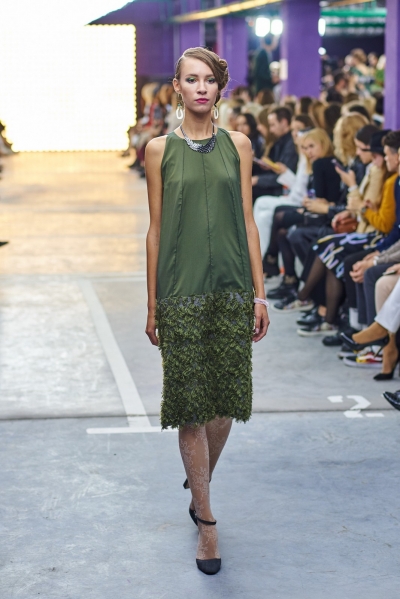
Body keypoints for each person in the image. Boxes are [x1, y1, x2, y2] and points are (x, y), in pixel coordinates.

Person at [144, 47, 269, 576]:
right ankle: (207, 521)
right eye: (191, 79)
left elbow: (248, 220)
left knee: (225, 404)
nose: (201, 88)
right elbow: (155, 230)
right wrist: (152, 303)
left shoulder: (239, 145)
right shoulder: (158, 150)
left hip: (232, 289)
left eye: (209, 80)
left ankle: (199, 482)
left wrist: (260, 293)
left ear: (220, 88)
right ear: (177, 86)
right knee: (190, 407)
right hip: (180, 292)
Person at [253, 114, 313, 264]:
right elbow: (298, 185)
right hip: (294, 196)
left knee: (263, 209)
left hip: (299, 201)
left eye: (300, 130)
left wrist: (284, 173)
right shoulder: (301, 155)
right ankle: (260, 257)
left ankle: (264, 259)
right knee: (261, 208)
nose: (296, 134)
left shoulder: (303, 155)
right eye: (294, 130)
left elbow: (300, 189)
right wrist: (283, 172)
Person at [252, 107, 298, 202]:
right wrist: (271, 166)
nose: (271, 130)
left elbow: (285, 175)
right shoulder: (281, 141)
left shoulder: (291, 145)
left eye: (273, 125)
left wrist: (258, 180)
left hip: (284, 189)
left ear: (284, 122)